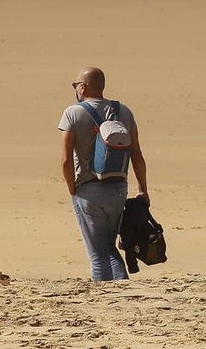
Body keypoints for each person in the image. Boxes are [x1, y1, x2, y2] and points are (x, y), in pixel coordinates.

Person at [58, 66, 149, 282]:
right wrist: (143, 189)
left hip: (87, 190)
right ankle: (122, 292)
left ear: (82, 87)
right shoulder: (124, 112)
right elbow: (137, 154)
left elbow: (65, 160)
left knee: (98, 255)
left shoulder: (73, 112)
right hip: (118, 188)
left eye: (76, 85)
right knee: (109, 247)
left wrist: (73, 188)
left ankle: (105, 297)